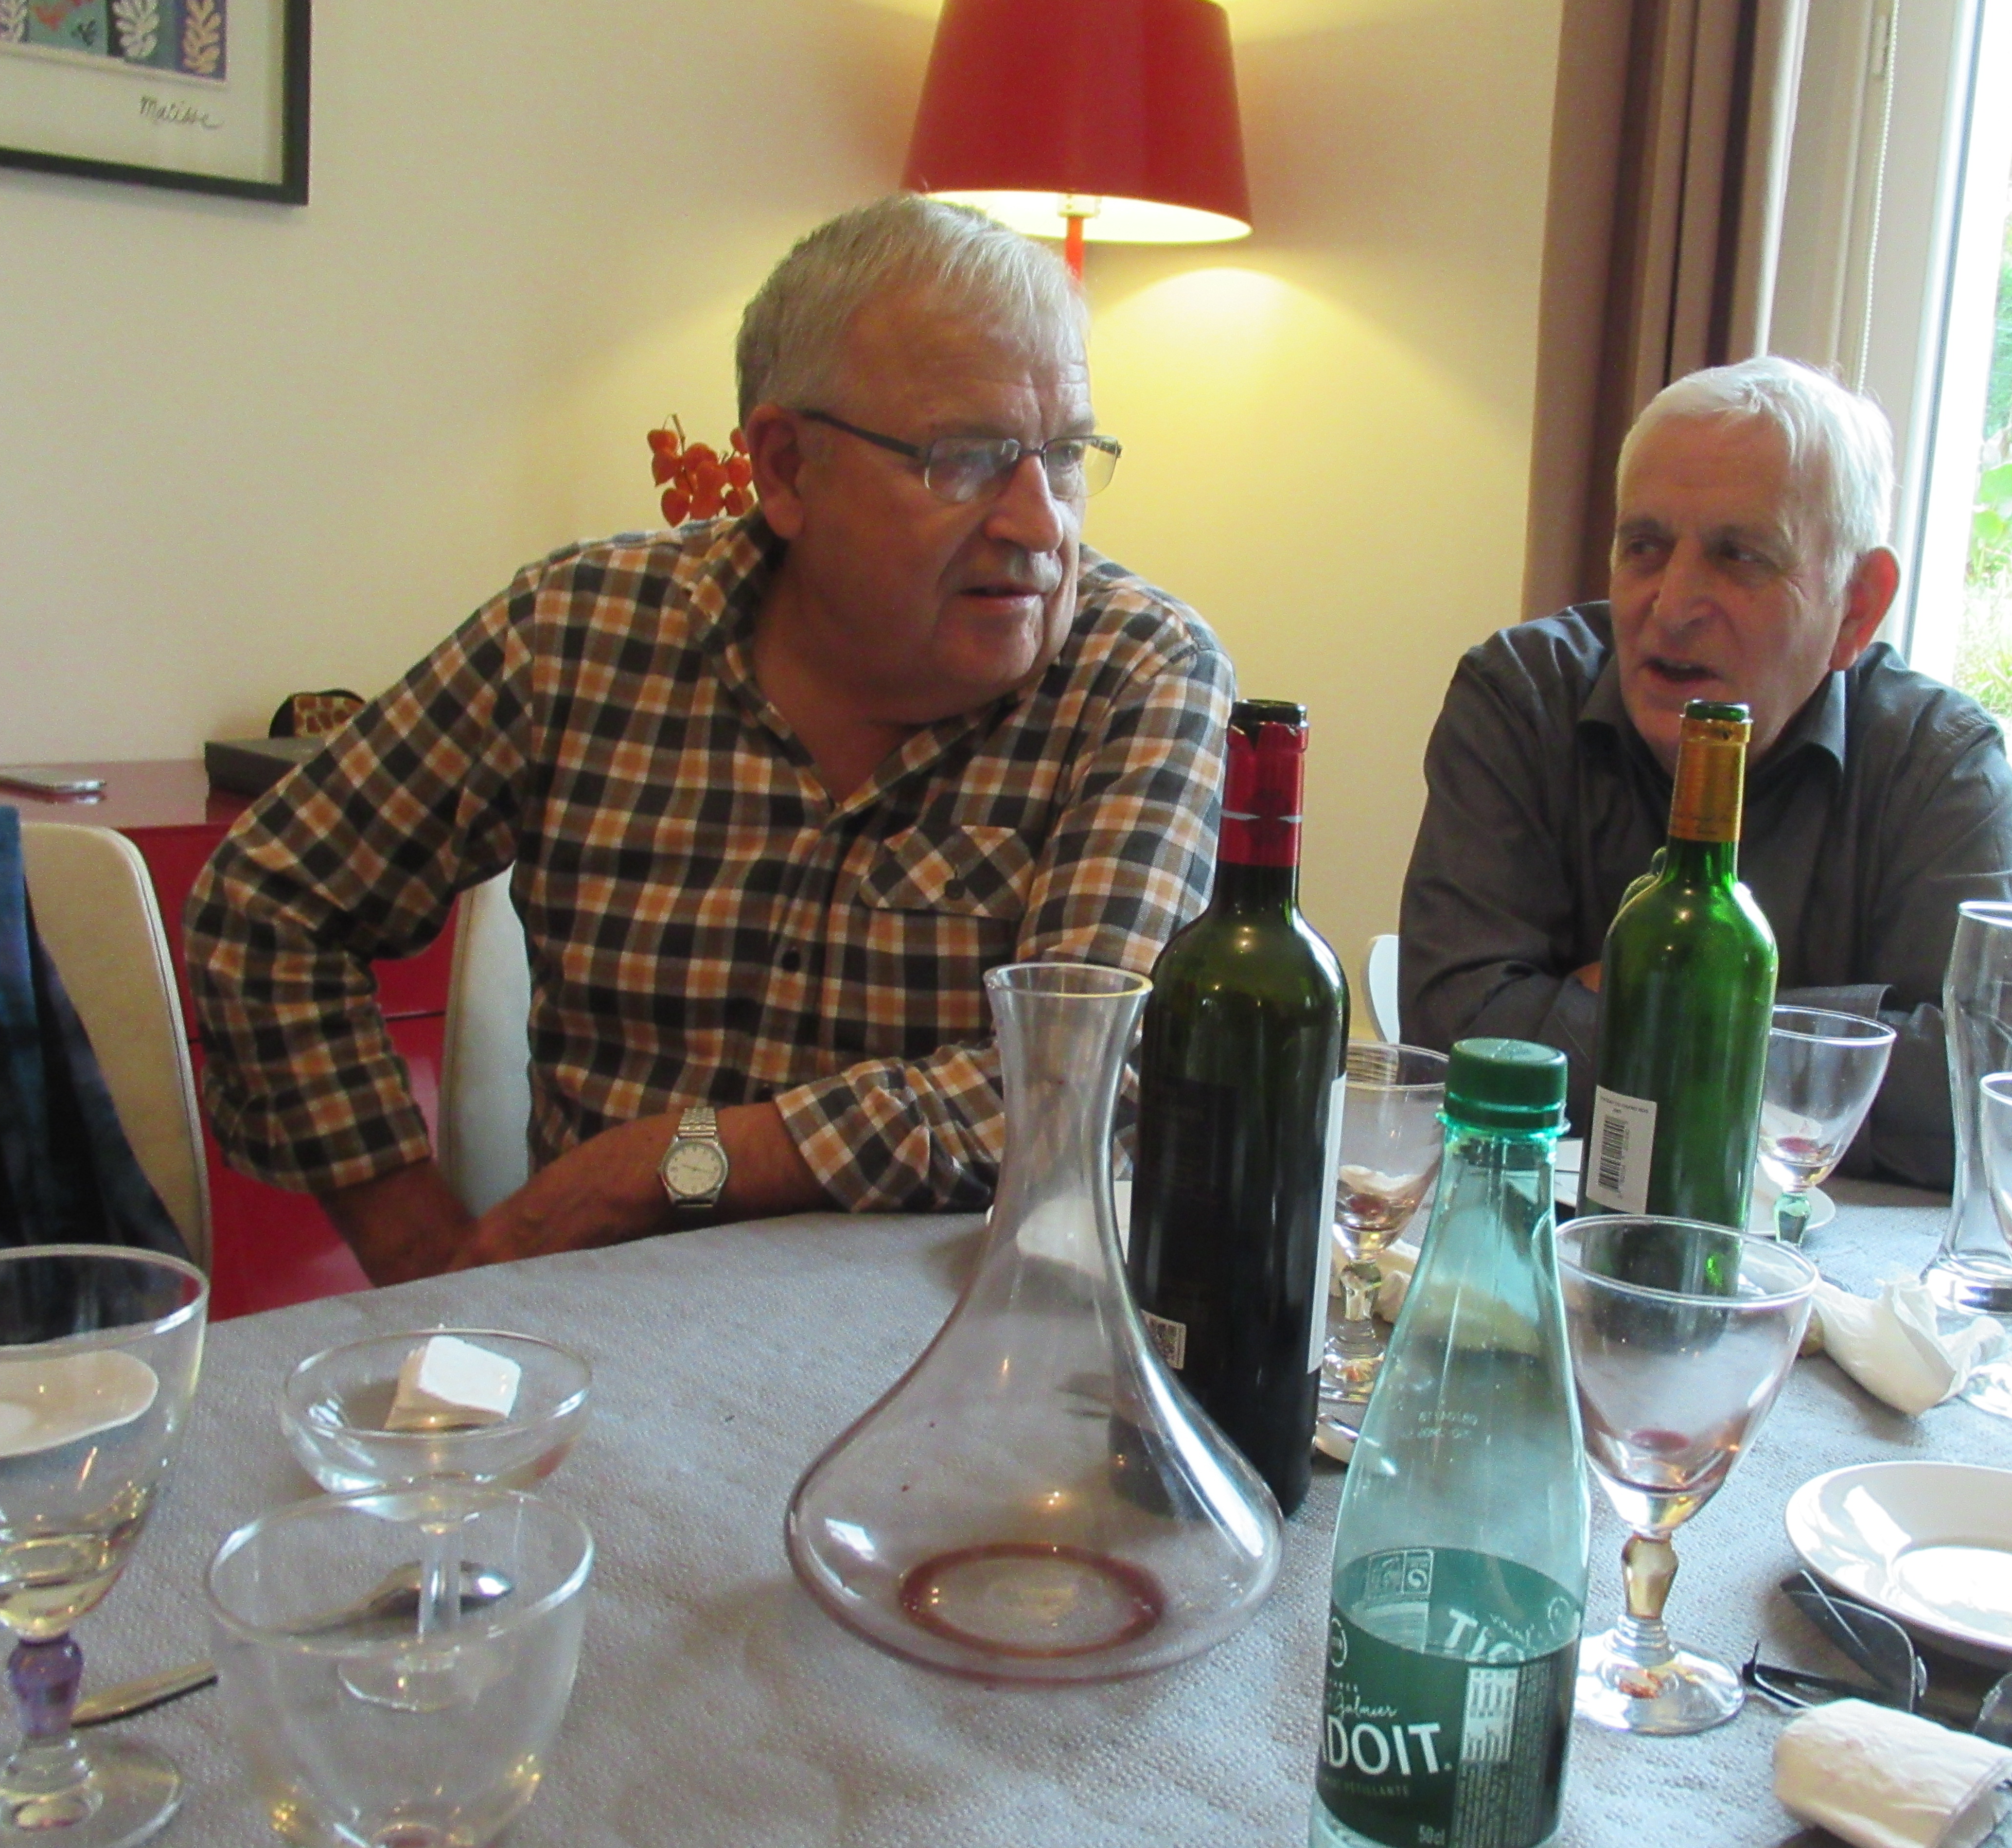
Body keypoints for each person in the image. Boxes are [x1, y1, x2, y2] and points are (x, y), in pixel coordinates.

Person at [187, 196, 1233, 1283]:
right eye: (967, 457)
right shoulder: (579, 633)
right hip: (602, 1326)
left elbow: (1083, 1081)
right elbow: (267, 908)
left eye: (1065, 456)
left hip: (948, 1343)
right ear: (785, 468)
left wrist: (671, 1165)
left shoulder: (1137, 675)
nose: (1040, 523)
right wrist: (419, 1251)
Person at [1398, 356, 2012, 1188]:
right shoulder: (1523, 699)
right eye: (1645, 548)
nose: (1671, 607)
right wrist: (1834, 1048)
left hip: (1839, 1263)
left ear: (1857, 605)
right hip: (1554, 1238)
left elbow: (1994, 1090)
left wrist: (1652, 997)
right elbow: (1461, 1041)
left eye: (1740, 557)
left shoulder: (1938, 760)